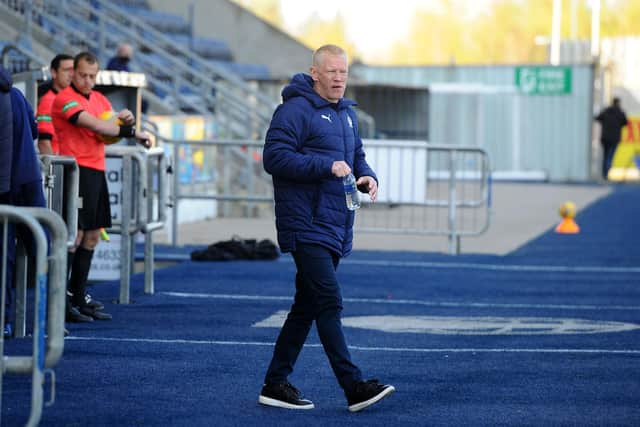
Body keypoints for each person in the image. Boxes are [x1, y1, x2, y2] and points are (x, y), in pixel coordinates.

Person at [258, 44, 394, 412]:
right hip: (305, 224)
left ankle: (275, 383)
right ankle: (353, 387)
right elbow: (273, 157)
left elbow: (357, 157)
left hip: (335, 224)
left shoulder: (347, 114)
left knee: (306, 307)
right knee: (329, 302)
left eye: (343, 72)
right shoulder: (294, 110)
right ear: (314, 73)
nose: (339, 79)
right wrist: (325, 166)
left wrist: (367, 175)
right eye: (332, 72)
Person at [52, 51, 150, 322]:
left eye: (92, 76)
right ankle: (61, 302)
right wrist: (131, 132)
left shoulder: (99, 99)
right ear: (73, 73)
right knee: (75, 236)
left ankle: (78, 296)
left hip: (96, 170)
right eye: (82, 75)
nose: (87, 80)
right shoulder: (65, 99)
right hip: (75, 171)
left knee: (93, 235)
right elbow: (95, 124)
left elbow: (108, 130)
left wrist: (126, 119)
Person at [0, 64, 47, 338]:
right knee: (43, 250)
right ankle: (52, 318)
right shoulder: (17, 94)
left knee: (4, 257)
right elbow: (34, 129)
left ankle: (4, 321)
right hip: (28, 181)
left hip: (5, 188)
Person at [36, 53, 74, 155]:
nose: (71, 75)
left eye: (73, 70)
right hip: (62, 166)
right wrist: (55, 168)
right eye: (67, 70)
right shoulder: (48, 101)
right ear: (53, 73)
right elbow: (44, 142)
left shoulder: (74, 100)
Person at [595, 97, 628, 180]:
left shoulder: (606, 111)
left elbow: (598, 118)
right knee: (610, 156)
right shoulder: (620, 112)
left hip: (605, 137)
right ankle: (606, 173)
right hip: (615, 138)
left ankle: (604, 174)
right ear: (618, 103)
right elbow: (625, 123)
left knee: (605, 156)